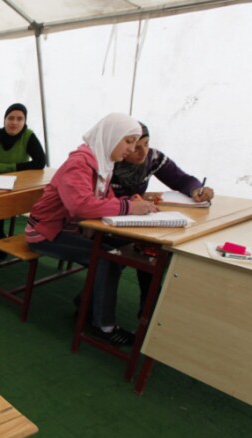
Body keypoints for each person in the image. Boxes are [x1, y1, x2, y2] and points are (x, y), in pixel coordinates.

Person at [25, 113, 159, 346]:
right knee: (107, 258)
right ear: (111, 135)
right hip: (46, 233)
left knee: (125, 250)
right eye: (128, 141)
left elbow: (104, 199)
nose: (132, 148)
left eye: (135, 142)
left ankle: (88, 304)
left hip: (69, 231)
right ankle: (103, 326)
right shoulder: (79, 163)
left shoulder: (102, 163)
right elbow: (80, 205)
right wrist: (128, 206)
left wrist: (131, 201)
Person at [111, 122, 215, 312]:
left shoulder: (153, 158)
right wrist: (135, 200)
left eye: (146, 143)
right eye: (135, 146)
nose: (143, 151)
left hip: (138, 219)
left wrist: (196, 189)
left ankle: (148, 306)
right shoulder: (109, 161)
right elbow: (102, 200)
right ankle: (147, 307)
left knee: (152, 248)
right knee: (147, 250)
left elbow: (181, 179)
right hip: (110, 222)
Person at [0, 103, 47, 262]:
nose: (14, 122)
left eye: (20, 119)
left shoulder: (28, 136)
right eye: (11, 118)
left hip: (15, 186)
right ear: (4, 120)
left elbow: (40, 161)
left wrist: (12, 167)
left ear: (25, 121)